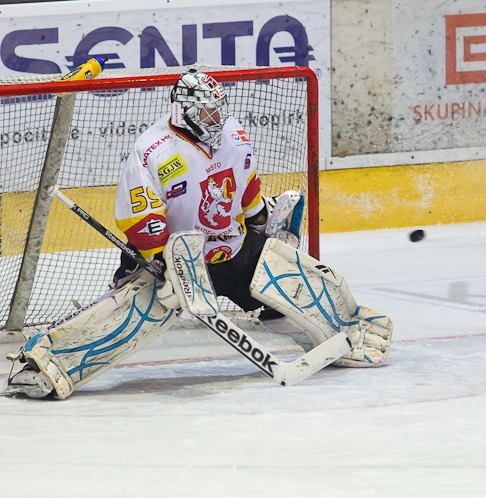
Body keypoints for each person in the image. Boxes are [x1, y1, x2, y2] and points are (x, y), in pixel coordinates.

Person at [5, 68, 392, 400]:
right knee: (129, 316)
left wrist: (263, 226)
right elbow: (141, 219)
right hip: (173, 260)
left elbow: (246, 189)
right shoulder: (153, 150)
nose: (216, 117)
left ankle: (347, 331)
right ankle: (46, 364)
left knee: (293, 283)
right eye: (208, 111)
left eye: (218, 108)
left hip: (231, 248)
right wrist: (161, 260)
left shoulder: (233, 135)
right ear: (184, 111)